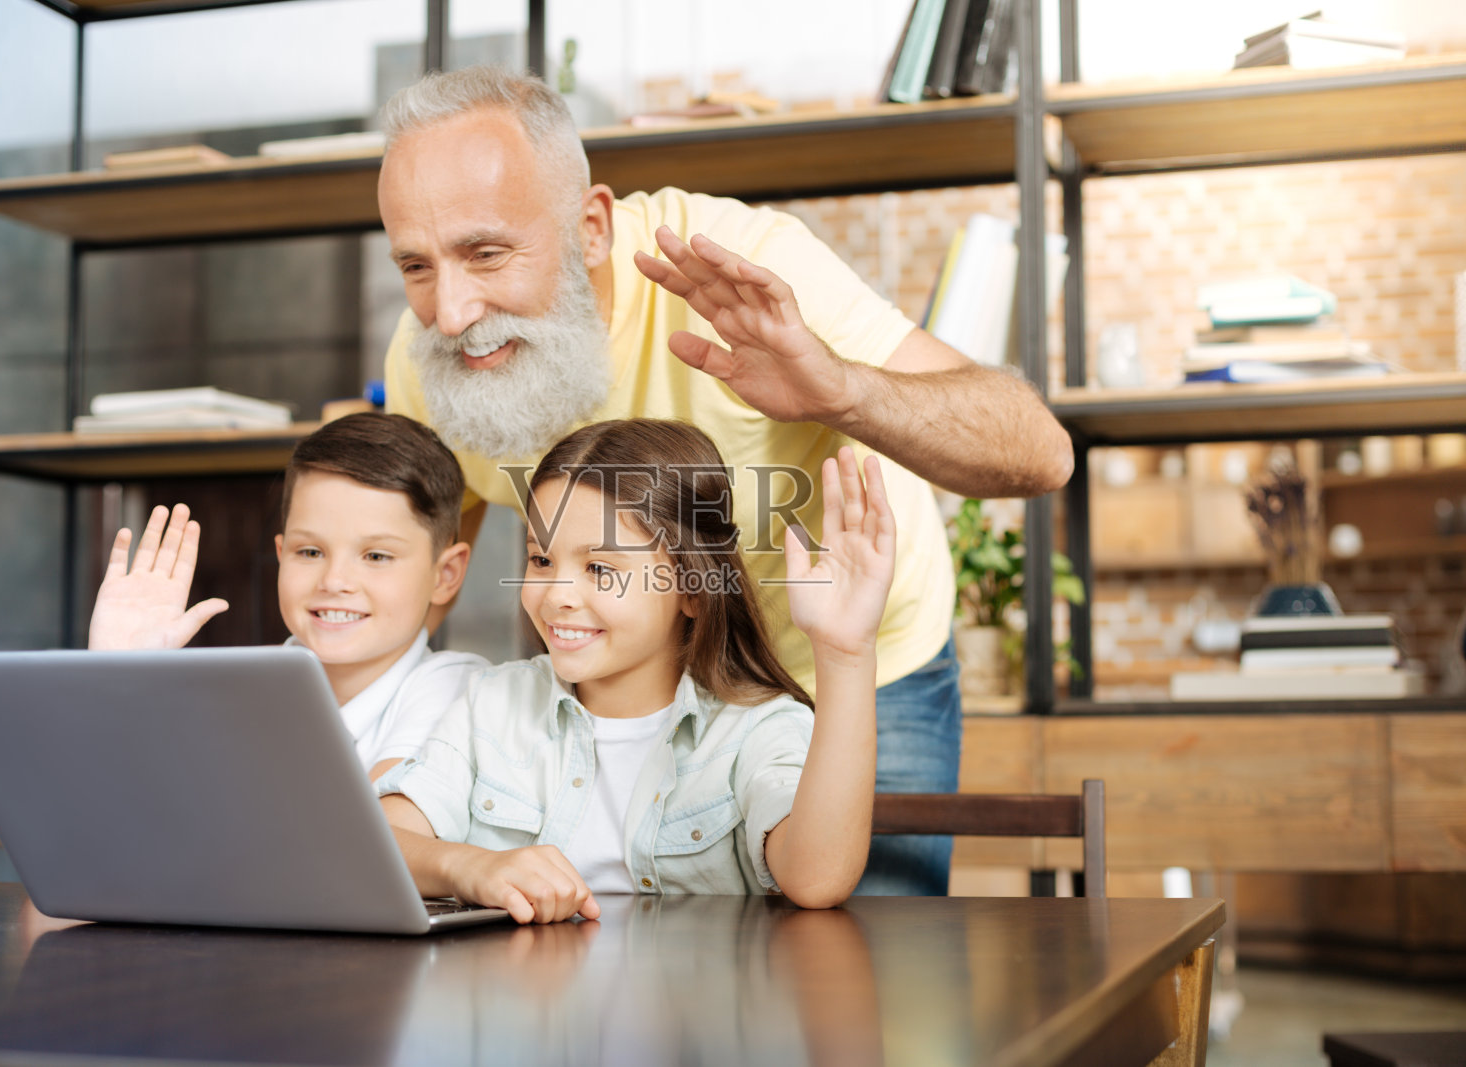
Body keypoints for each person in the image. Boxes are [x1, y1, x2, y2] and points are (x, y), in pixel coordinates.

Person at [375, 66, 1074, 894]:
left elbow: (1039, 450)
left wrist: (839, 389)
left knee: (870, 979)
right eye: (416, 267)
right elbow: (413, 573)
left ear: (590, 228)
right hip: (627, 700)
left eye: (485, 253)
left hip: (846, 667)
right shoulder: (434, 359)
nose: (451, 310)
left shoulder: (742, 272)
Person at [371, 419, 894, 923]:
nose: (557, 596)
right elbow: (374, 842)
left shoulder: (753, 728)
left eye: (600, 568)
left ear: (691, 587)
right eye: (541, 560)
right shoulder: (491, 702)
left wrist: (845, 654)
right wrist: (474, 867)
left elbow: (818, 879)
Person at [88, 412, 486, 769]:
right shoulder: (237, 695)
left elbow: (375, 837)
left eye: (376, 556)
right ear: (281, 554)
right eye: (310, 551)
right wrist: (116, 682)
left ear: (446, 575)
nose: (334, 581)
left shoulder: (457, 690)